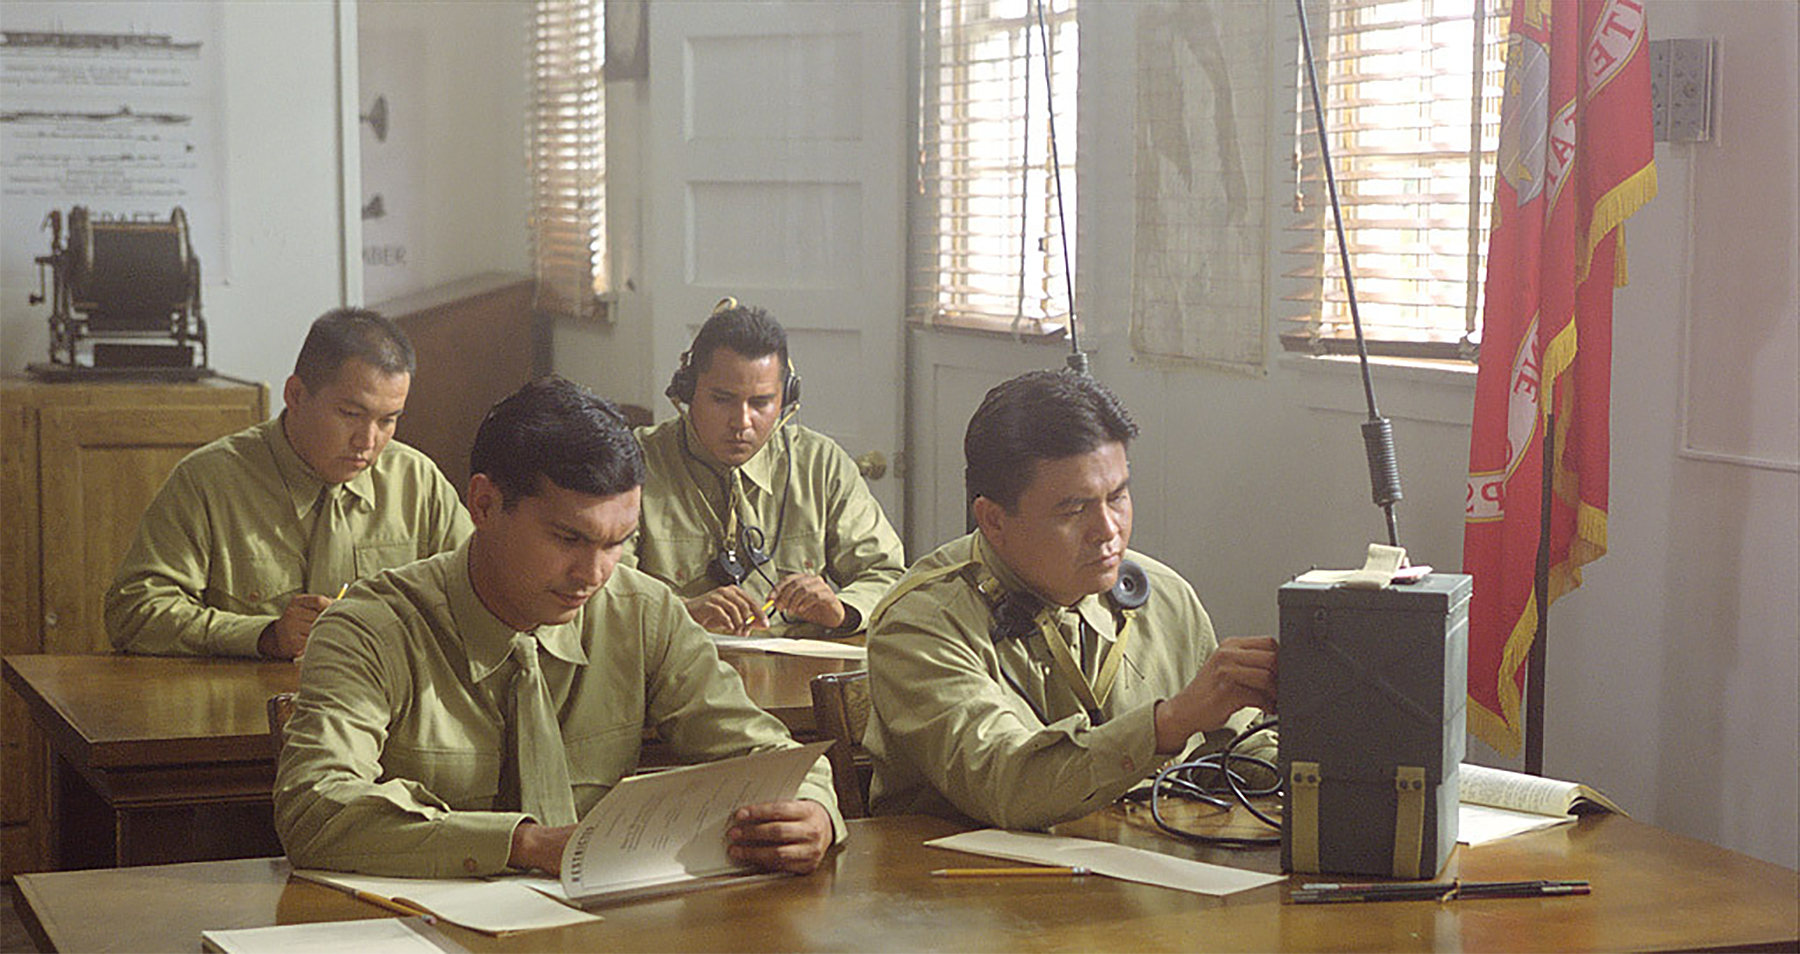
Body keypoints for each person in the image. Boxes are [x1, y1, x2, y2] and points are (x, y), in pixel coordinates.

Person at [273, 376, 842, 878]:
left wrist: (814, 811)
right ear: (484, 503)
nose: (593, 574)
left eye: (617, 543)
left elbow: (770, 756)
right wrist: (524, 845)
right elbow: (316, 808)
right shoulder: (372, 630)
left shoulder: (643, 611)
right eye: (569, 538)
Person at [864, 370, 1278, 829]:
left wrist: (1316, 754)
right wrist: (1168, 724)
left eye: (1117, 497)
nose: (1108, 530)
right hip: (966, 887)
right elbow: (1008, 784)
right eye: (1074, 509)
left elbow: (1239, 751)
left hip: (1130, 873)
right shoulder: (922, 622)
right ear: (993, 520)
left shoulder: (1163, 596)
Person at [106, 308, 471, 660]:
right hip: (244, 710)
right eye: (350, 414)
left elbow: (477, 596)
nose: (368, 440)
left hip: (384, 709)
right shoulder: (210, 481)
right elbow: (136, 612)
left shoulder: (417, 483)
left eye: (388, 420)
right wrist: (264, 635)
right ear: (295, 395)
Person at [626, 300, 903, 638]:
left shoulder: (821, 465)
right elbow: (603, 587)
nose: (741, 422)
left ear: (785, 399)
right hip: (670, 667)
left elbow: (887, 574)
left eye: (760, 403)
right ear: (688, 391)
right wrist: (679, 613)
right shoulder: (635, 463)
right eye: (722, 399)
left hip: (794, 673)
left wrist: (842, 611)